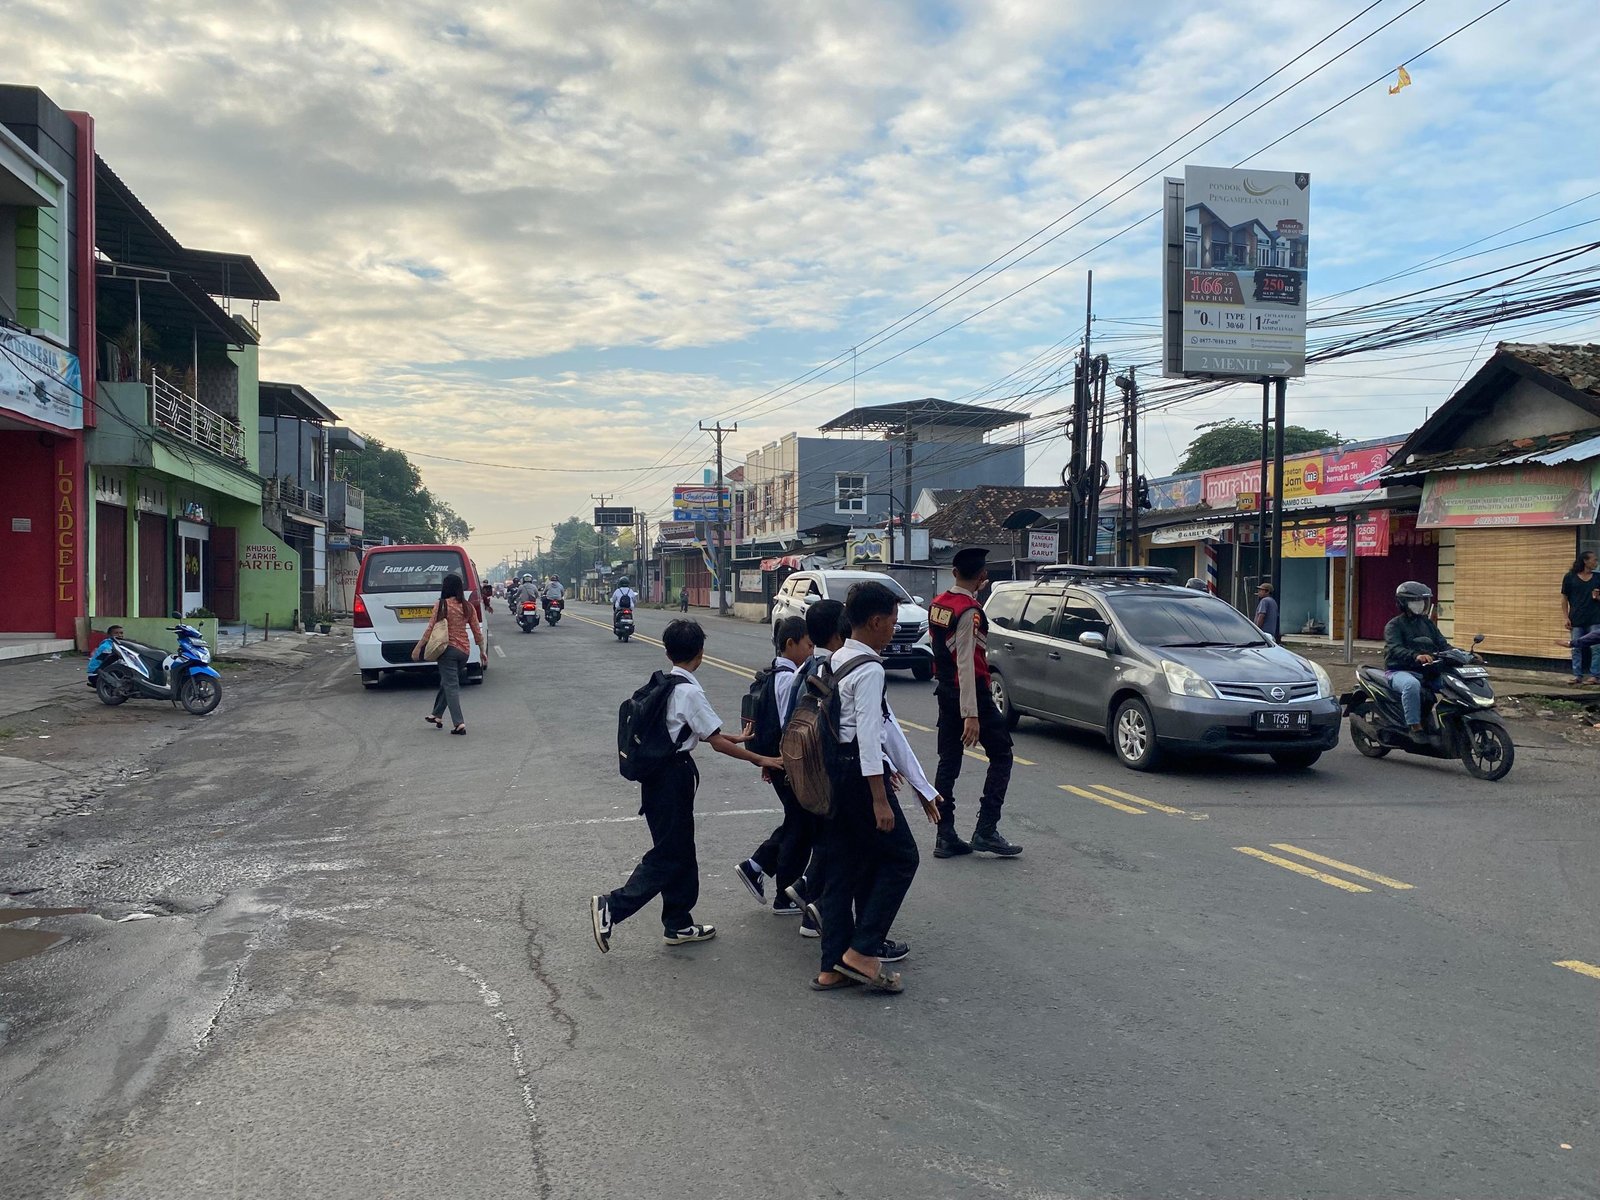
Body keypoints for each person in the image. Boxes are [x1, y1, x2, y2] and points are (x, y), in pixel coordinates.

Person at [591, 620, 783, 953]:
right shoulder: (689, 691)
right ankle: (612, 906)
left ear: (668, 652)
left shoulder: (664, 684)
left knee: (680, 849)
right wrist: (760, 758)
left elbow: (700, 732)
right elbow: (716, 743)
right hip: (673, 779)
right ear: (701, 653)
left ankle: (678, 923)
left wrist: (732, 738)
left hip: (656, 777)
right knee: (669, 854)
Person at [813, 582, 938, 993]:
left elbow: (880, 729)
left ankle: (832, 966)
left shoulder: (837, 659)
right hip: (860, 777)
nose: (894, 630)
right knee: (902, 857)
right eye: (893, 622)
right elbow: (869, 738)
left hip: (835, 774)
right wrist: (880, 799)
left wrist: (920, 785)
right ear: (875, 621)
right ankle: (863, 951)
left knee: (842, 868)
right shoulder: (869, 669)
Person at [928, 547, 1021, 859]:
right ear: (983, 576)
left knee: (948, 763)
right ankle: (986, 829)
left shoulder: (938, 604)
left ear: (954, 573)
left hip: (945, 691)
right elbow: (966, 663)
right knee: (1002, 755)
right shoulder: (969, 611)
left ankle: (945, 834)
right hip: (971, 693)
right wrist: (971, 713)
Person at [735, 616, 817, 915]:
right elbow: (788, 725)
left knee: (798, 822)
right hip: (788, 764)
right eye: (808, 644)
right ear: (790, 644)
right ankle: (785, 895)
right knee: (801, 826)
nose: (811, 650)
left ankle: (756, 866)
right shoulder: (788, 679)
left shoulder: (772, 674)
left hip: (777, 761)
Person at [414, 572, 487, 735]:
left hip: (447, 651)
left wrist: (418, 647)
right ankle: (437, 715)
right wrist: (482, 651)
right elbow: (477, 631)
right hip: (464, 652)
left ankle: (459, 723)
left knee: (451, 685)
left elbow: (430, 628)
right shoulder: (468, 606)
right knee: (448, 682)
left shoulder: (441, 605)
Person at [1383, 581, 1451, 734]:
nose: (1420, 604)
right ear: (1403, 602)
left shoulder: (1428, 624)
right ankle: (1414, 725)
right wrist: (1416, 655)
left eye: (1422, 600)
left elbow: (1443, 644)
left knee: (1452, 683)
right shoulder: (1394, 625)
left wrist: (1463, 654)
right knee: (1411, 685)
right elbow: (1395, 648)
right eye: (1415, 600)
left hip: (1427, 671)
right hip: (1399, 670)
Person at [1561, 550, 1600, 685]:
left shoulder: (1598, 577)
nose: (1596, 562)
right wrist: (1566, 617)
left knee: (1596, 647)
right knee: (1576, 647)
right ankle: (1577, 675)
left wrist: (1598, 597)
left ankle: (1595, 676)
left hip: (1595, 618)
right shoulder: (1570, 577)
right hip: (1576, 618)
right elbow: (1564, 598)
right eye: (1594, 560)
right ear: (1585, 561)